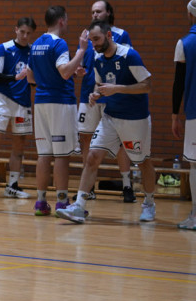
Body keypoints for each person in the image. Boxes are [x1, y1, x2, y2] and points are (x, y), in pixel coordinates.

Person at [56, 20, 156, 224]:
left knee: (143, 161)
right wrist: (95, 95)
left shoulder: (129, 55)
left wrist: (118, 88)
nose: (94, 44)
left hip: (135, 119)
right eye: (91, 40)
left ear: (109, 36)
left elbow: (147, 86)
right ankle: (79, 207)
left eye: (97, 39)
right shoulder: (99, 59)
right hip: (111, 116)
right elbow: (100, 85)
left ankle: (149, 202)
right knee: (92, 156)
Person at [23, 5, 88, 217]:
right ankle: (61, 201)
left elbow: (31, 78)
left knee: (43, 154)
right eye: (66, 20)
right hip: (60, 102)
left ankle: (41, 203)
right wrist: (81, 51)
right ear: (61, 21)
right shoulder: (59, 43)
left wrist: (63, 73)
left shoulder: (35, 45)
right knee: (61, 155)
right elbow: (64, 72)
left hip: (40, 101)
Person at [78, 0, 136, 202]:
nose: (94, 15)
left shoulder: (121, 35)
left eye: (99, 11)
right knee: (85, 138)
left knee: (120, 142)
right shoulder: (87, 35)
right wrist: (80, 69)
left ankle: (127, 185)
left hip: (112, 94)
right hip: (89, 93)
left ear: (109, 13)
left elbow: (126, 63)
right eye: (92, 11)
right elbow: (86, 61)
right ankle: (89, 187)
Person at [0, 17, 36, 199]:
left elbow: (34, 81)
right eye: (22, 32)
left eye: (28, 33)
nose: (25, 36)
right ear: (16, 30)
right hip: (2, 100)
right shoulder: (4, 48)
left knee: (19, 146)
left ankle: (12, 185)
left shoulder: (33, 51)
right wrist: (16, 77)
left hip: (23, 102)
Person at [172, 0, 196, 230]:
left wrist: (173, 115)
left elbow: (178, 83)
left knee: (195, 165)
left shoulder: (185, 43)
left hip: (194, 111)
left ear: (190, 15)